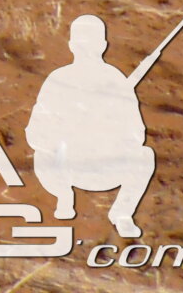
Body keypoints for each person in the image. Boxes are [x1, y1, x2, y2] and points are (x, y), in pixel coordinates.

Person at [26, 15, 157, 238]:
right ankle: (80, 201)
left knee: (41, 155)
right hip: (89, 169)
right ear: (103, 45)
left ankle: (112, 211)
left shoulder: (62, 78)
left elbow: (36, 132)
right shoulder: (113, 79)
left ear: (72, 45)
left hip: (75, 169)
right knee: (145, 156)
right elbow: (137, 135)